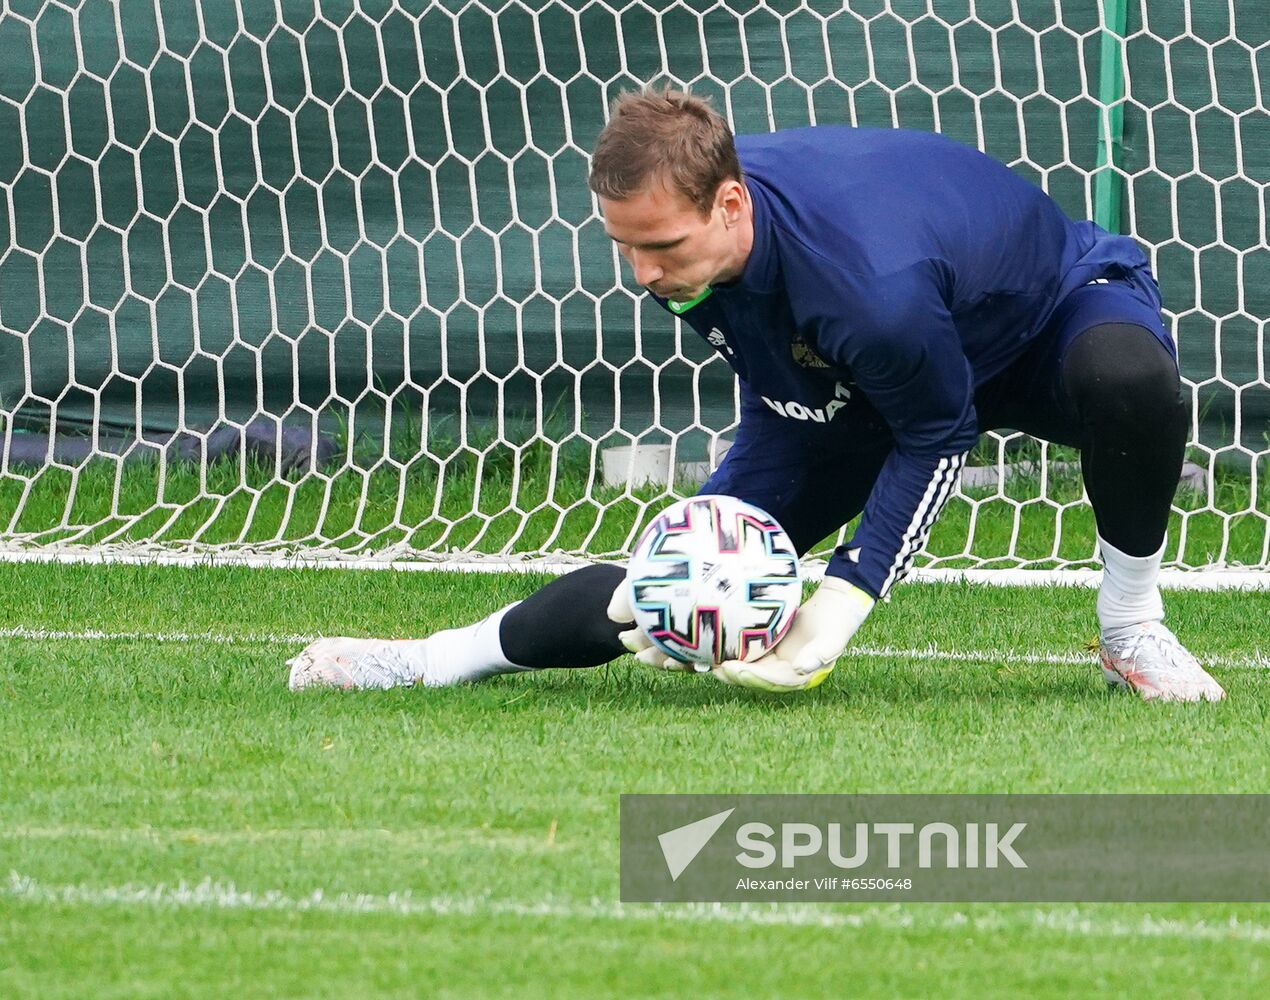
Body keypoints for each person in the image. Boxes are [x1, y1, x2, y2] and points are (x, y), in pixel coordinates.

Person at [287, 86, 1225, 702]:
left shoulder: (867, 282)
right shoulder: (695, 240)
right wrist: (691, 582)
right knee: (667, 580)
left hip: (1038, 321)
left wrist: (846, 594)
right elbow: (788, 375)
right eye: (625, 246)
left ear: (730, 204)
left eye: (662, 249)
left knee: (1131, 381)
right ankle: (428, 659)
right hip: (853, 370)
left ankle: (1130, 627)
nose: (643, 272)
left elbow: (940, 432)